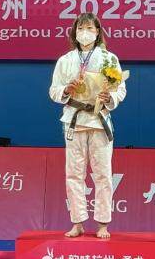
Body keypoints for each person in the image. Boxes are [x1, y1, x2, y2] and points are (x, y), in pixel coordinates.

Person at [49, 13, 127, 240]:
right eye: (81, 28)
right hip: (74, 119)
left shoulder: (109, 58)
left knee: (103, 174)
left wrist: (110, 97)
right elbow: (53, 91)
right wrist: (66, 89)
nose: (85, 32)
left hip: (99, 119)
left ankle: (103, 223)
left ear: (97, 32)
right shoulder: (65, 60)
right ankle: (77, 222)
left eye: (90, 28)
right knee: (74, 174)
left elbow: (120, 89)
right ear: (75, 33)